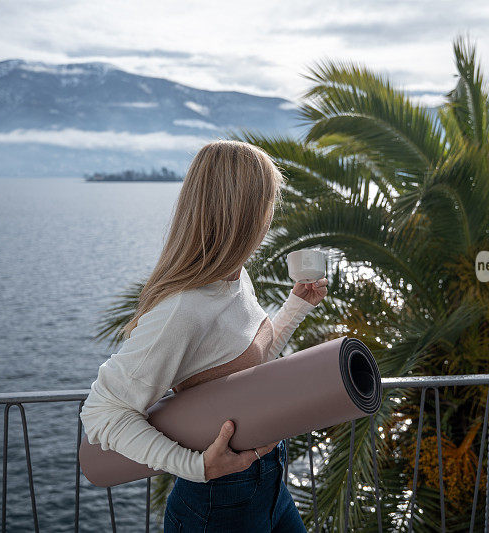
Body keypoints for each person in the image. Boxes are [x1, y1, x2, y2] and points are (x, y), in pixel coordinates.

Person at [79, 139, 328, 532]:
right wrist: (195, 466)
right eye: (267, 204)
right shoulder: (184, 308)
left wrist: (297, 306)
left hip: (270, 483)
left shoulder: (235, 278)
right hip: (220, 504)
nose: (271, 216)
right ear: (243, 213)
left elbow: (252, 365)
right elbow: (102, 413)